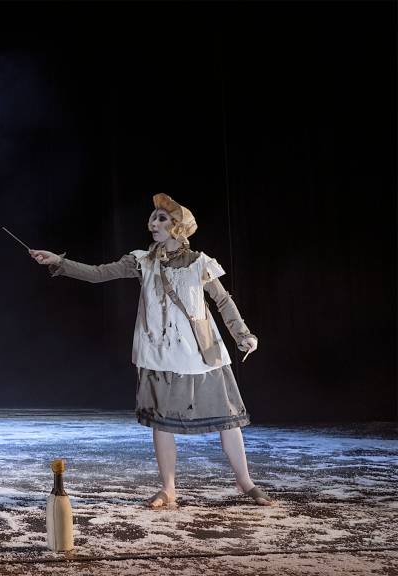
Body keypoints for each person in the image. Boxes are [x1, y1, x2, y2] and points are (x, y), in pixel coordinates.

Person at [29, 193, 271, 508]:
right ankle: (168, 489)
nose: (152, 223)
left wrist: (243, 334)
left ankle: (244, 481)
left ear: (178, 228)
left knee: (228, 420)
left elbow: (223, 301)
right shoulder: (142, 261)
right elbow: (99, 273)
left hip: (202, 351)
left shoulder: (200, 263)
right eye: (153, 217)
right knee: (162, 422)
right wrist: (59, 262)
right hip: (161, 353)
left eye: (161, 218)